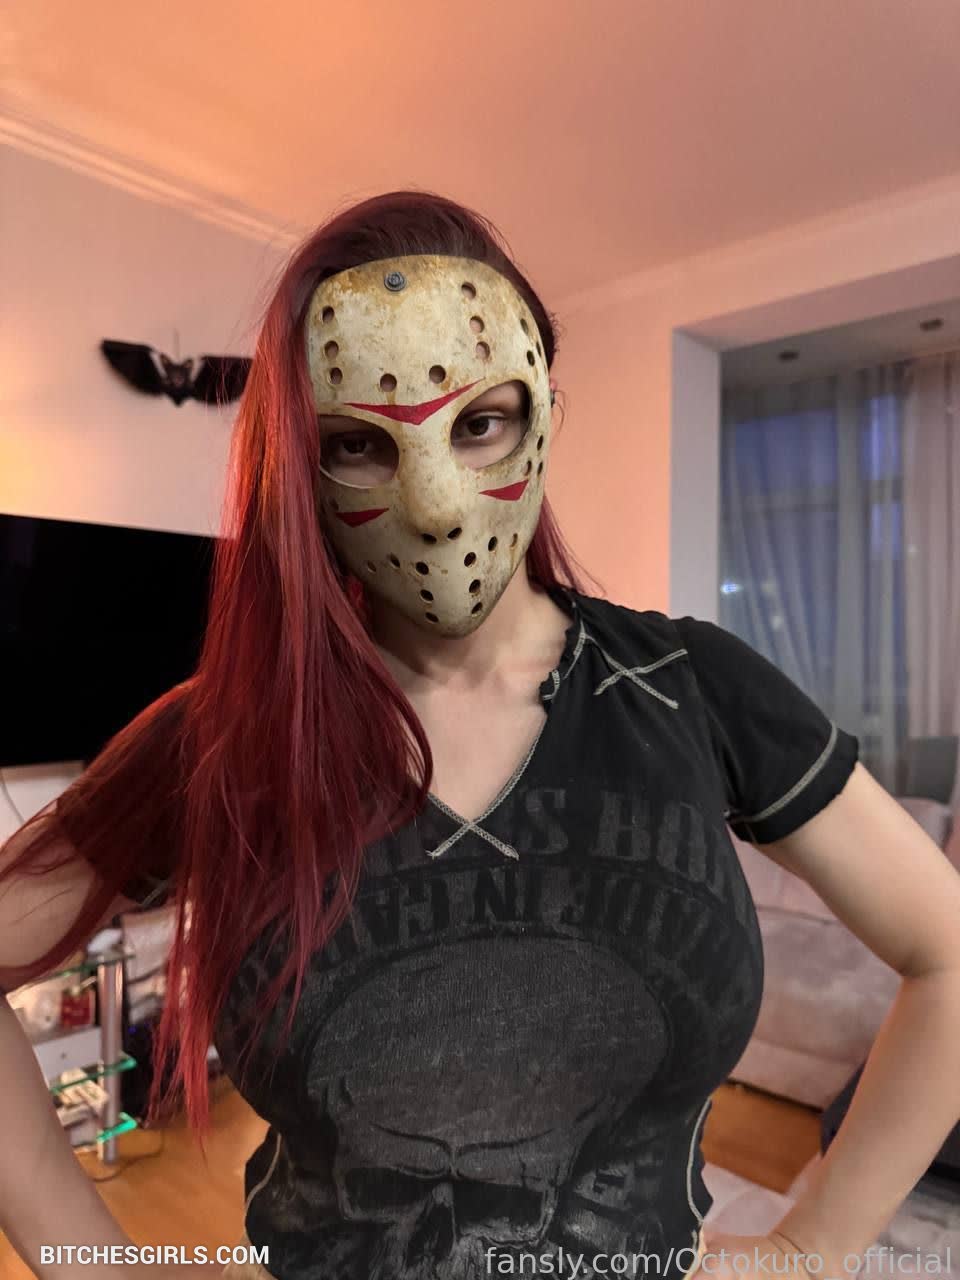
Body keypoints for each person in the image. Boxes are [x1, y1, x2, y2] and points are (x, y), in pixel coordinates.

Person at [2, 191, 959, 1280]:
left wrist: (811, 1249)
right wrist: (94, 1264)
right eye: (357, 444)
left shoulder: (689, 688)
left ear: (543, 407)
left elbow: (947, 951)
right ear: (298, 464)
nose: (438, 504)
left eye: (480, 422)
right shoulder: (223, 734)